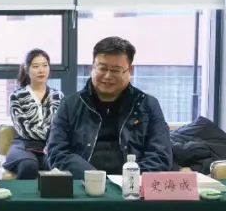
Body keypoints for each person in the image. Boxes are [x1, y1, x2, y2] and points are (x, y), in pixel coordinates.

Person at [46, 36, 173, 178]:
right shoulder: (70, 105)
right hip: (83, 184)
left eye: (116, 70)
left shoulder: (148, 105)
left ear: (129, 70)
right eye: (102, 68)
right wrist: (95, 178)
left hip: (132, 187)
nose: (107, 76)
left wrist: (130, 180)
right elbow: (57, 153)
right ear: (92, 67)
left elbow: (160, 155)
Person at [3, 48, 63, 180]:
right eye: (36, 66)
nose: (41, 70)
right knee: (29, 165)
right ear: (27, 69)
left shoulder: (58, 96)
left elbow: (60, 127)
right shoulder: (16, 96)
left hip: (50, 145)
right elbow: (24, 129)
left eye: (45, 65)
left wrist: (51, 143)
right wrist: (49, 135)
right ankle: (21, 194)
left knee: (57, 165)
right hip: (23, 145)